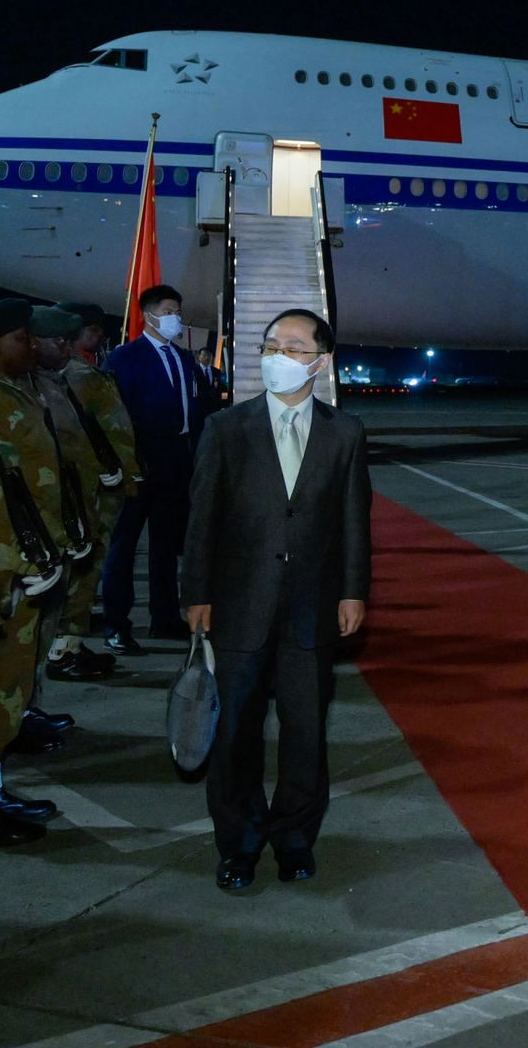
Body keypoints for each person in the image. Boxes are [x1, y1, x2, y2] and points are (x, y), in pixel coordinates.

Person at [182, 308, 372, 891]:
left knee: (305, 732)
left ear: (320, 360)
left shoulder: (345, 433)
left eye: (292, 346)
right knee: (234, 733)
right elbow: (202, 520)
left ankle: (294, 839)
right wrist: (196, 594)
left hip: (313, 607)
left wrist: (353, 591)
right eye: (269, 345)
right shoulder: (227, 429)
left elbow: (353, 522)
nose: (276, 356)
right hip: (238, 605)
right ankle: (237, 847)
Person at [0, 298, 78, 843]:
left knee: (3, 692)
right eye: (20, 338)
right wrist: (17, 562)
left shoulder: (15, 390)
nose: (31, 344)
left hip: (25, 566)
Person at [102, 284, 203, 652]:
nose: (176, 317)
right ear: (149, 314)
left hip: (177, 463)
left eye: (178, 310)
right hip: (138, 464)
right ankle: (116, 624)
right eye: (169, 310)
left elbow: (199, 409)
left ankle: (164, 617)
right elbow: (112, 417)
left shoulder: (185, 360)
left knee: (166, 545)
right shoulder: (123, 359)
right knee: (124, 546)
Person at [25, 306, 120, 685]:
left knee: (80, 577)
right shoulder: (29, 388)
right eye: (59, 340)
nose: (68, 346)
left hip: (82, 498)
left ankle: (66, 647)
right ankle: (61, 652)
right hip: (57, 508)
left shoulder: (55, 381)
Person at [53, 301, 140, 679]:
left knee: (88, 567)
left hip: (94, 485)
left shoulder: (77, 371)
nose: (98, 338)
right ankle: (62, 650)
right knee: (83, 568)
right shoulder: (75, 375)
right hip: (90, 488)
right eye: (91, 332)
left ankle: (69, 645)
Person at [196, 346, 226, 415]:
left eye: (209, 355)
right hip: (199, 407)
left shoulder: (216, 371)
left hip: (214, 408)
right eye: (204, 355)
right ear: (199, 357)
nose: (207, 357)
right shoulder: (194, 371)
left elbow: (219, 390)